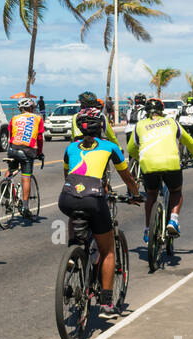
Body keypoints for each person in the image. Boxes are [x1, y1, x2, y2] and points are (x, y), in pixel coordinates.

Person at [59, 106, 141, 316]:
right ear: (101, 127)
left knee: (76, 212)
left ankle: (73, 251)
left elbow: (69, 175)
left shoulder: (70, 148)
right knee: (108, 251)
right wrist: (135, 193)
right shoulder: (109, 146)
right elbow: (126, 176)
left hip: (67, 198)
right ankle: (106, 303)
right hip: (94, 200)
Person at [126, 97, 193, 242]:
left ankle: (148, 230)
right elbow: (189, 141)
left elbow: (130, 148)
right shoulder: (172, 122)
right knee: (175, 191)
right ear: (162, 111)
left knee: (151, 195)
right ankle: (173, 220)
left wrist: (141, 157)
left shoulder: (140, 125)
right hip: (171, 163)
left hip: (148, 165)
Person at [6, 97, 45, 218]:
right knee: (26, 178)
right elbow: (39, 138)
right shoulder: (38, 118)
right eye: (33, 107)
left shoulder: (14, 118)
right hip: (27, 150)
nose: (33, 109)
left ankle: (7, 190)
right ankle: (26, 207)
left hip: (12, 149)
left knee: (11, 171)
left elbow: (10, 136)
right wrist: (39, 153)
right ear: (30, 108)